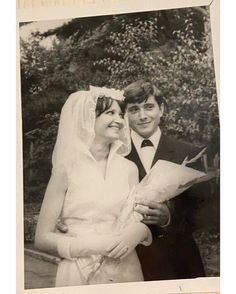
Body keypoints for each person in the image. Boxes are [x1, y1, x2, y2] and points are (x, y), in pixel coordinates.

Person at [35, 86, 152, 287]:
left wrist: (140, 230)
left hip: (125, 268)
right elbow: (42, 238)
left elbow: (136, 217)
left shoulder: (129, 169)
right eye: (110, 113)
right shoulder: (66, 169)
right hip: (79, 270)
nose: (119, 120)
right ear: (89, 118)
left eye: (120, 114)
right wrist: (97, 245)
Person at [123, 80, 206, 281]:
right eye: (134, 109)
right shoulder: (116, 155)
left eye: (149, 107)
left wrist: (170, 215)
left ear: (162, 109)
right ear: (125, 115)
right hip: (131, 262)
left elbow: (203, 211)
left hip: (179, 263)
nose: (142, 116)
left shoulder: (188, 153)